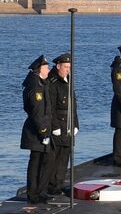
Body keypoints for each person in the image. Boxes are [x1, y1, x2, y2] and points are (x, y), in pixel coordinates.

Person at [20, 54, 54, 203]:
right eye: (46, 67)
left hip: (42, 129)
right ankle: (34, 193)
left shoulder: (41, 83)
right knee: (36, 162)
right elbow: (37, 112)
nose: (49, 70)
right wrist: (43, 133)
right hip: (36, 131)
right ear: (40, 69)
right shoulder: (35, 86)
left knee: (44, 161)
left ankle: (40, 191)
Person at [44, 53, 78, 195]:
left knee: (65, 156)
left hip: (69, 124)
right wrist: (55, 126)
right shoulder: (53, 82)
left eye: (69, 67)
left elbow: (73, 104)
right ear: (58, 66)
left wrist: (76, 123)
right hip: (59, 124)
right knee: (55, 157)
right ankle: (52, 185)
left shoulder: (68, 80)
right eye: (65, 67)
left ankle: (59, 183)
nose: (67, 70)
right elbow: (50, 107)